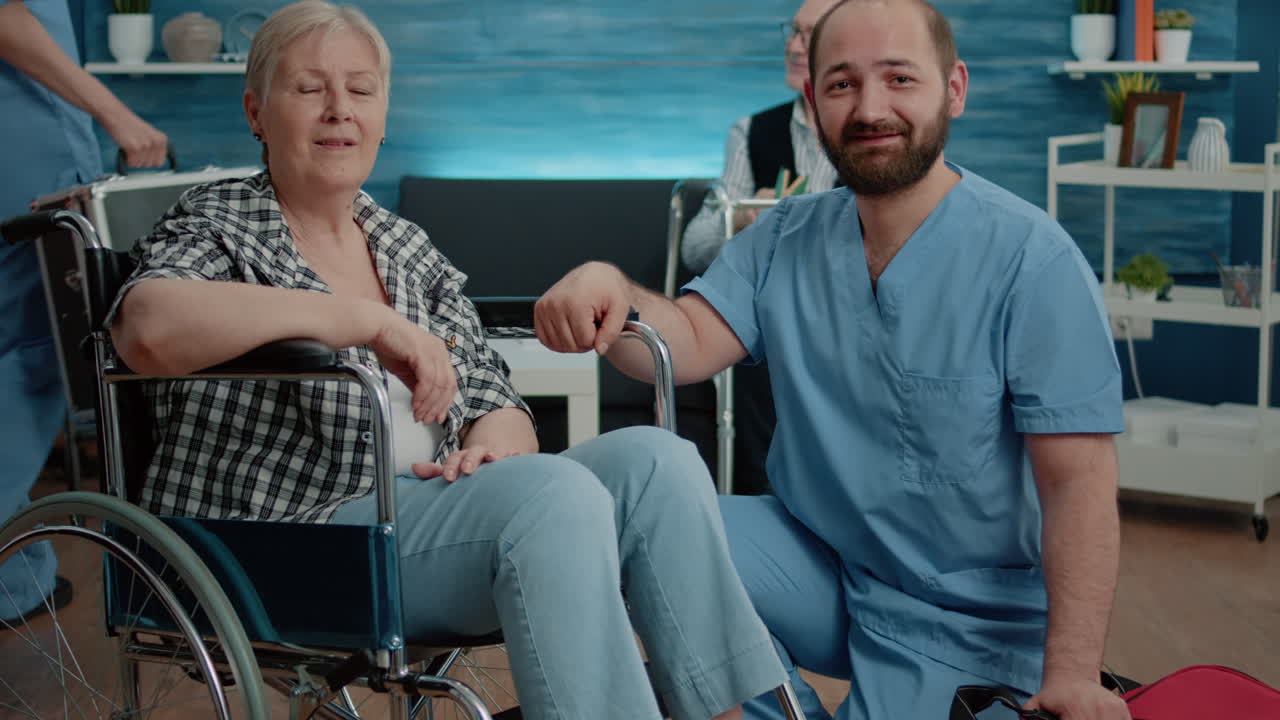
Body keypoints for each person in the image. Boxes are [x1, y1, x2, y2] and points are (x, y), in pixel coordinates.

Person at [105, 2, 786, 718]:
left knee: (660, 463)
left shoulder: (404, 245)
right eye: (309, 89)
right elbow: (147, 327)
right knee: (555, 495)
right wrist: (362, 322)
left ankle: (720, 710)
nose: (340, 110)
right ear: (256, 110)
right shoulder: (218, 222)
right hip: (285, 544)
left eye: (361, 90)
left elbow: (498, 400)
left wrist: (492, 450)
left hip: (423, 521)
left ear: (382, 113)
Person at [534, 1, 1129, 718]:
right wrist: (611, 291)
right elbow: (686, 338)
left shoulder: (1033, 262)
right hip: (820, 565)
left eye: (900, 79)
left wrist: (1074, 673)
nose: (871, 108)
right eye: (842, 84)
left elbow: (1079, 486)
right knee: (652, 521)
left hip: (970, 617)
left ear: (954, 89)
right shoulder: (784, 237)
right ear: (813, 104)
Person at [0, 0, 167, 628]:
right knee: (47, 348)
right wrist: (114, 112)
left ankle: (17, 573)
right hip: (25, 165)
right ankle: (11, 576)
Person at [680, 0, 842, 497]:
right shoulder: (751, 134)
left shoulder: (871, 131)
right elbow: (695, 246)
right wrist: (746, 220)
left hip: (847, 315)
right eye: (792, 32)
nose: (793, 46)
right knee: (756, 346)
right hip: (771, 321)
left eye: (808, 35)